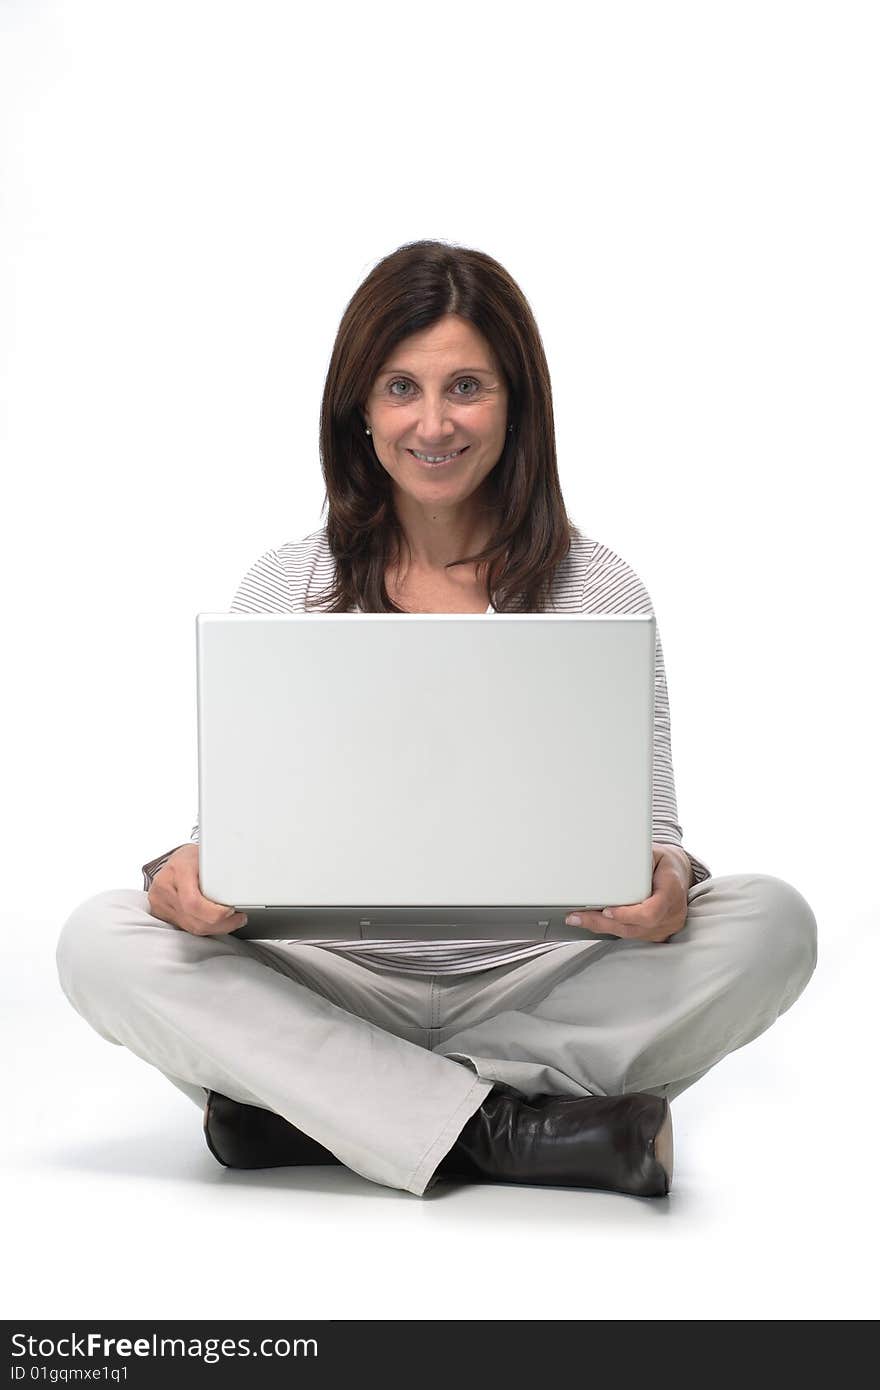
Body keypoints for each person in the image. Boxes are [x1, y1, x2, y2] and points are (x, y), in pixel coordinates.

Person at [55, 239, 818, 1200]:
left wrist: (665, 879)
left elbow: (657, 838)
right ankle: (508, 1130)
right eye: (400, 388)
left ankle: (314, 1109)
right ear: (360, 412)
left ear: (516, 405)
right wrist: (185, 878)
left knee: (773, 921)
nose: (433, 423)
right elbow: (237, 836)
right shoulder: (290, 582)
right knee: (100, 938)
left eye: (466, 387)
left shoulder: (596, 587)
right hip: (333, 977)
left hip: (541, 977)